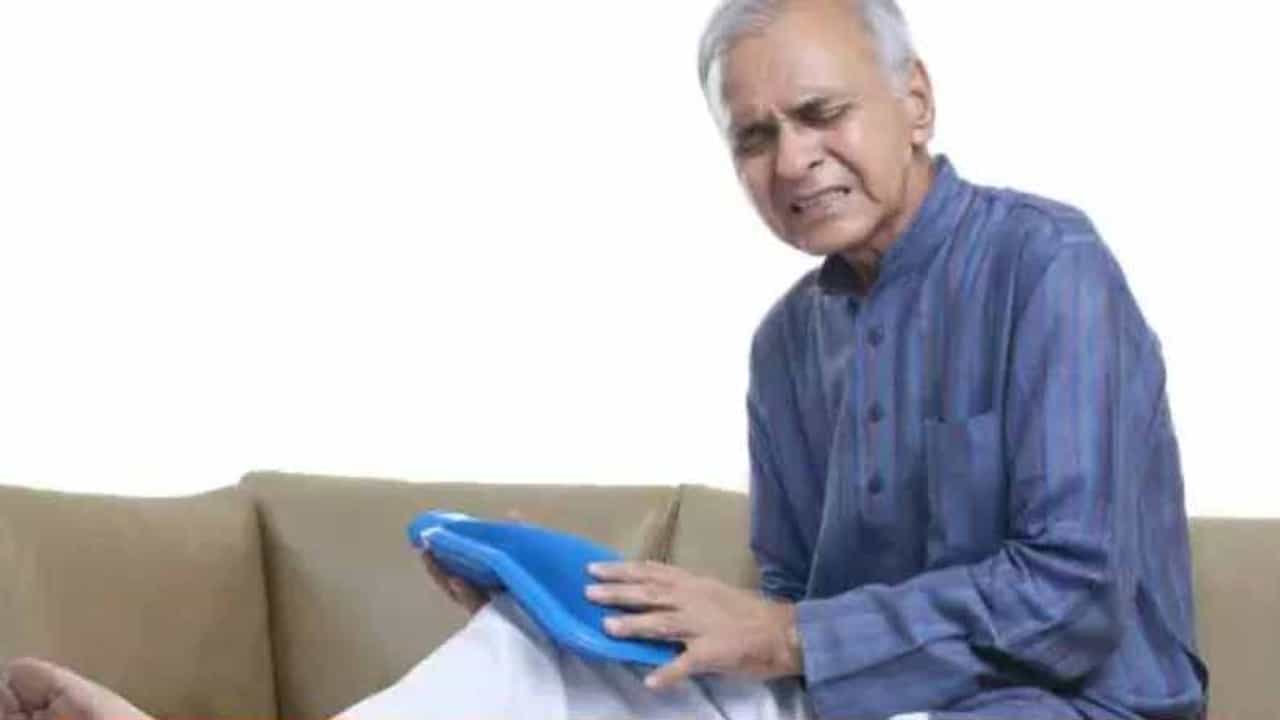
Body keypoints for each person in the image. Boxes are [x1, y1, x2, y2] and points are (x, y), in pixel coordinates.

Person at [1, 1, 1208, 718]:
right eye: (752, 137)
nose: (790, 161)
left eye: (819, 114)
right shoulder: (786, 345)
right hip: (856, 699)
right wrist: (582, 611)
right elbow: (790, 598)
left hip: (1068, 706)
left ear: (916, 103)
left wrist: (784, 638)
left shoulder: (1047, 267)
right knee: (532, 657)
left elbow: (1073, 599)